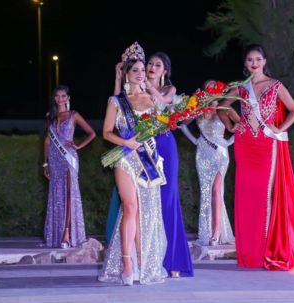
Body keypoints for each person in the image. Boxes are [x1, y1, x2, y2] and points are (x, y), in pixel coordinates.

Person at [218, 44, 294, 270]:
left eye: (258, 59)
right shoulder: (241, 87)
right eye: (249, 60)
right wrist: (231, 126)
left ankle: (265, 252)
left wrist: (280, 128)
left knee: (263, 196)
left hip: (266, 144)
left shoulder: (275, 86)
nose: (254, 63)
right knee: (246, 197)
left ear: (264, 61)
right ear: (246, 64)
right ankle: (248, 252)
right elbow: (221, 108)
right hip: (245, 143)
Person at [108, 51, 193, 278]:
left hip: (162, 145)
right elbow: (118, 109)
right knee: (143, 205)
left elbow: (164, 105)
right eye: (150, 64)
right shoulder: (137, 89)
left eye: (158, 65)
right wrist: (120, 78)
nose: (152, 68)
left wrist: (146, 85)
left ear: (165, 71)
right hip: (139, 146)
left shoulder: (167, 91)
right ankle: (147, 258)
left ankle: (173, 259)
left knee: (167, 199)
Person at [99, 42, 167, 286]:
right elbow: (107, 132)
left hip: (148, 159)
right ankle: (127, 262)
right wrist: (128, 143)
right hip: (126, 159)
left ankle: (143, 259)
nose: (140, 73)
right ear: (126, 73)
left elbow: (167, 114)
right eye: (135, 70)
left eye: (142, 69)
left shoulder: (151, 99)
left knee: (146, 212)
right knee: (130, 208)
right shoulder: (116, 101)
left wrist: (150, 87)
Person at [180, 80, 235, 246]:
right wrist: (195, 140)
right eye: (208, 88)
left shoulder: (224, 108)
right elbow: (182, 125)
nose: (211, 90)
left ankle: (216, 232)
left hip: (220, 153)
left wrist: (229, 142)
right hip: (202, 153)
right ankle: (207, 231)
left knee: (217, 190)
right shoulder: (199, 109)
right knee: (206, 192)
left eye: (214, 87)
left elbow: (241, 125)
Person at [42, 85, 96, 248]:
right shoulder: (50, 117)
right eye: (57, 96)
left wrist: (79, 146)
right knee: (56, 196)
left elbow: (92, 133)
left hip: (69, 158)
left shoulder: (74, 115)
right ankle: (56, 234)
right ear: (54, 98)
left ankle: (66, 233)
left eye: (63, 96)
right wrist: (45, 163)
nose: (60, 99)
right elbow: (46, 141)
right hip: (54, 159)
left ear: (68, 98)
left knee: (69, 194)